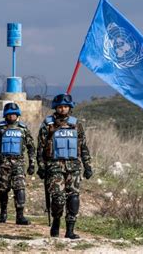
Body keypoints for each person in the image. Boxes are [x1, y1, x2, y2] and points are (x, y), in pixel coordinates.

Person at [36, 93, 94, 239]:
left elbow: (84, 146)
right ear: (56, 108)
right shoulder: (48, 124)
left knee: (73, 198)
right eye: (60, 107)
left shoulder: (76, 124)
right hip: (54, 166)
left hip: (73, 166)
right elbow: (40, 148)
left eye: (66, 106)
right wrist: (41, 166)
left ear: (70, 107)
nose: (63, 109)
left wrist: (87, 166)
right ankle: (56, 221)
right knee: (57, 198)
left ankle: (70, 230)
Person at [0, 102, 35, 225]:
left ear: (17, 115)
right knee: (3, 189)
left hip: (19, 164)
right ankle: (3, 212)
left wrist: (32, 163)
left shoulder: (23, 129)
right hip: (3, 164)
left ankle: (20, 216)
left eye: (14, 114)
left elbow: (31, 147)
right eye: (9, 115)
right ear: (5, 115)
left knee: (20, 188)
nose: (11, 117)